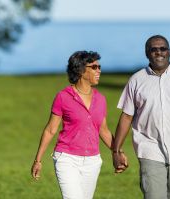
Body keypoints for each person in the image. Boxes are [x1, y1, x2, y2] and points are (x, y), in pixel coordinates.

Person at [112, 35, 170, 199]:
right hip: (150, 150)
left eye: (163, 48)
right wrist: (116, 151)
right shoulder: (136, 80)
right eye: (153, 49)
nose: (159, 52)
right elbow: (126, 117)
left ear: (169, 52)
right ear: (147, 53)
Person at [31, 50, 127, 199]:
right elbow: (50, 130)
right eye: (94, 67)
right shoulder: (63, 97)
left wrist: (118, 152)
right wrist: (38, 160)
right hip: (67, 158)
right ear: (81, 70)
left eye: (99, 66)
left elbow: (104, 131)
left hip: (92, 161)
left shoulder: (100, 99)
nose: (99, 70)